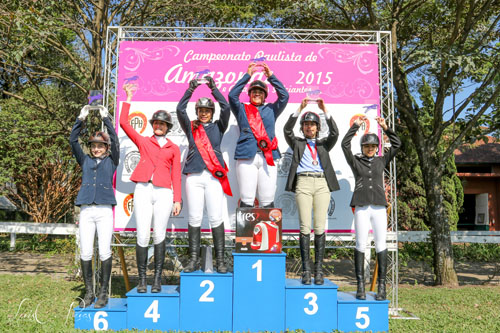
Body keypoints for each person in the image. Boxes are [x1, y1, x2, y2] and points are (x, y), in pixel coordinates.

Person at [120, 84, 182, 293]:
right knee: (143, 235)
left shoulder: (173, 148)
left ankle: (157, 280)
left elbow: (176, 175)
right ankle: (142, 280)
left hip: (164, 192)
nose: (158, 126)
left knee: (160, 235)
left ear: (167, 127)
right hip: (143, 189)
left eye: (162, 124)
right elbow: (123, 123)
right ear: (152, 124)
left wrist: (178, 199)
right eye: (156, 123)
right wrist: (128, 98)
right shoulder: (144, 142)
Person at [341, 115, 401, 300]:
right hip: (361, 207)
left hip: (379, 208)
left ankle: (381, 286)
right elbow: (344, 145)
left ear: (377, 148)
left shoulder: (381, 161)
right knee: (360, 243)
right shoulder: (356, 161)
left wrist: (386, 128)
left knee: (381, 244)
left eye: (373, 146)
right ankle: (360, 285)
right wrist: (356, 127)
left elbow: (397, 144)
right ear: (362, 148)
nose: (370, 148)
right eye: (367, 146)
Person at [176, 76, 231, 273]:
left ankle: (221, 261)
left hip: (214, 176)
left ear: (211, 112)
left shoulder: (219, 127)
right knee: (195, 217)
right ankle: (193, 260)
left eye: (207, 111)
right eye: (201, 111)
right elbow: (180, 110)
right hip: (194, 176)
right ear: (197, 112)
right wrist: (190, 90)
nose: (204, 113)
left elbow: (226, 107)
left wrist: (213, 89)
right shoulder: (191, 127)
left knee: (216, 217)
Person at [284, 98, 340, 285]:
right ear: (303, 127)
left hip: (322, 184)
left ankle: (318, 271)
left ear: (318, 127)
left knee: (320, 226)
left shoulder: (324, 144)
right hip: (304, 183)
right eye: (306, 124)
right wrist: (299, 109)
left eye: (312, 125)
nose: (309, 128)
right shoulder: (298, 143)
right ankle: (306, 271)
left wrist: (325, 110)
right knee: (304, 227)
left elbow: (335, 132)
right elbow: (286, 130)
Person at [70, 103, 119, 308]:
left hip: (105, 209)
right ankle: (89, 292)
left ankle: (103, 293)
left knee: (105, 251)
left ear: (106, 149)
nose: (96, 148)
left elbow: (116, 141)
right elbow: (73, 140)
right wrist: (80, 120)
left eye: (100, 146)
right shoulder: (85, 161)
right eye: (94, 146)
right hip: (87, 210)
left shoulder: (112, 160)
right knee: (86, 252)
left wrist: (107, 119)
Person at [228, 63, 289, 208]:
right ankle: (247, 231)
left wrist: (271, 77)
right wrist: (247, 75)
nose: (257, 93)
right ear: (249, 94)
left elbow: (284, 96)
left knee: (267, 199)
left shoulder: (272, 109)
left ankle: (268, 230)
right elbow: (232, 95)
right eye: (254, 91)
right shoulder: (241, 109)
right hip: (246, 157)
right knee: (247, 198)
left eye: (260, 92)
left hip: (268, 157)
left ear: (265, 96)